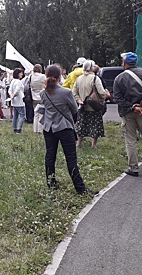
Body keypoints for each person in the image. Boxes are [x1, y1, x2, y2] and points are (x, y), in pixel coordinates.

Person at [40, 65, 97, 195]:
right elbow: (74, 109)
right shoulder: (66, 93)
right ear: (60, 76)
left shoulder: (43, 93)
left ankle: (51, 183)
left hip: (49, 128)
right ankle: (80, 188)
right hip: (64, 127)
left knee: (50, 156)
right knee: (71, 158)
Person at [72, 60, 106, 149]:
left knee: (81, 125)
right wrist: (102, 100)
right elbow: (102, 92)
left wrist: (78, 100)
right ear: (91, 68)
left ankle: (79, 144)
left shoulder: (79, 79)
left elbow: (74, 92)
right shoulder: (95, 78)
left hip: (82, 106)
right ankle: (93, 145)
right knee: (95, 125)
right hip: (94, 107)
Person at [31, 64, 46, 133]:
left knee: (36, 114)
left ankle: (35, 129)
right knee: (41, 113)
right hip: (41, 95)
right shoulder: (42, 76)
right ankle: (40, 130)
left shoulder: (31, 76)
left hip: (33, 96)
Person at [9, 68, 26, 134]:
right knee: (22, 116)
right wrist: (14, 95)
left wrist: (11, 95)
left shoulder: (13, 81)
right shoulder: (19, 82)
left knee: (15, 116)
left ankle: (15, 128)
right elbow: (17, 90)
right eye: (21, 73)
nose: (22, 74)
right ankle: (19, 129)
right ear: (18, 74)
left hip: (14, 101)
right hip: (20, 101)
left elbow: (10, 90)